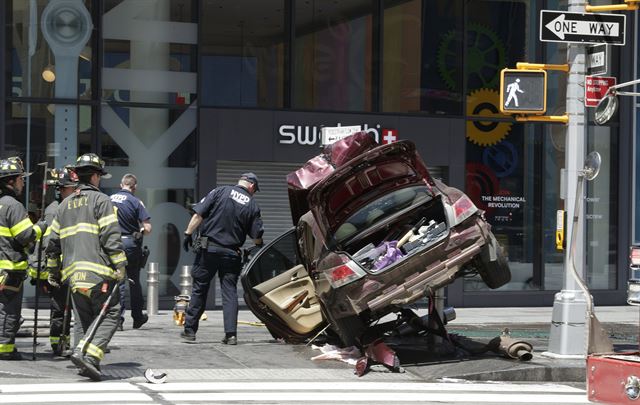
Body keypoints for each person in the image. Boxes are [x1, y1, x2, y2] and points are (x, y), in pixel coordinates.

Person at [46, 153, 127, 381]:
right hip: (98, 274)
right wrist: (120, 266)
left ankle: (83, 360)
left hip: (73, 277)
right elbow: (111, 237)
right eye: (99, 176)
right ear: (94, 176)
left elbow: (51, 245)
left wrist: (53, 273)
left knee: (82, 318)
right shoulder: (102, 201)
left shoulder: (64, 206)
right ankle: (90, 357)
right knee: (111, 314)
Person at [181, 173, 264, 345]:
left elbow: (198, 215)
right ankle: (231, 335)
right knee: (229, 293)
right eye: (255, 190)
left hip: (208, 250)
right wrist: (259, 244)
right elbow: (257, 237)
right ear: (251, 186)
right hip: (231, 254)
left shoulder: (219, 192)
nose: (253, 193)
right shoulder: (252, 205)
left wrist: (188, 234)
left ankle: (190, 331)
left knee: (199, 289)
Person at [0, 157, 47, 360]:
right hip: (10, 268)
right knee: (9, 311)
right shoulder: (13, 206)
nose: (23, 183)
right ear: (11, 181)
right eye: (21, 178)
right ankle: (4, 349)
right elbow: (25, 236)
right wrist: (41, 226)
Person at [28, 167, 78, 356]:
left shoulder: (65, 207)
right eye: (72, 188)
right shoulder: (54, 211)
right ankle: (58, 344)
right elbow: (49, 244)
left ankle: (63, 341)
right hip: (56, 269)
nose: (75, 191)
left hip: (66, 267)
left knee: (65, 308)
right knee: (59, 309)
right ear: (63, 189)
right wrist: (52, 272)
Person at [110, 173, 151, 330]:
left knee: (117, 281)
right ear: (134, 187)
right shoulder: (136, 201)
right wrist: (140, 229)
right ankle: (137, 317)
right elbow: (148, 228)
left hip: (112, 244)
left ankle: (117, 320)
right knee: (133, 280)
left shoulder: (109, 199)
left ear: (121, 185)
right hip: (130, 244)